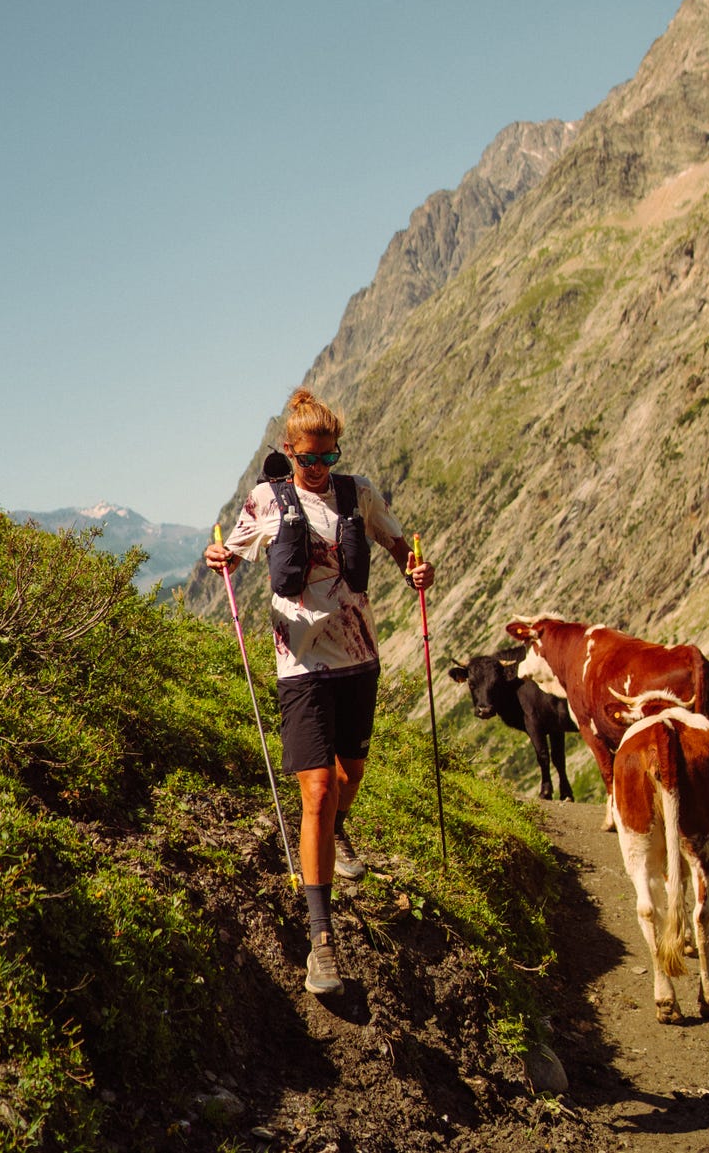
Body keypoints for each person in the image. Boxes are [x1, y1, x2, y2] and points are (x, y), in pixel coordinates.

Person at [205, 387, 434, 997]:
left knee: (350, 774)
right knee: (318, 788)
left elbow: (398, 544)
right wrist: (217, 556)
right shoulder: (267, 500)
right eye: (311, 459)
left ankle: (335, 830)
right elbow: (234, 550)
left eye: (331, 457)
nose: (322, 470)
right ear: (289, 450)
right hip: (300, 665)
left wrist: (417, 568)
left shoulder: (358, 494)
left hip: (358, 659)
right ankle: (322, 940)